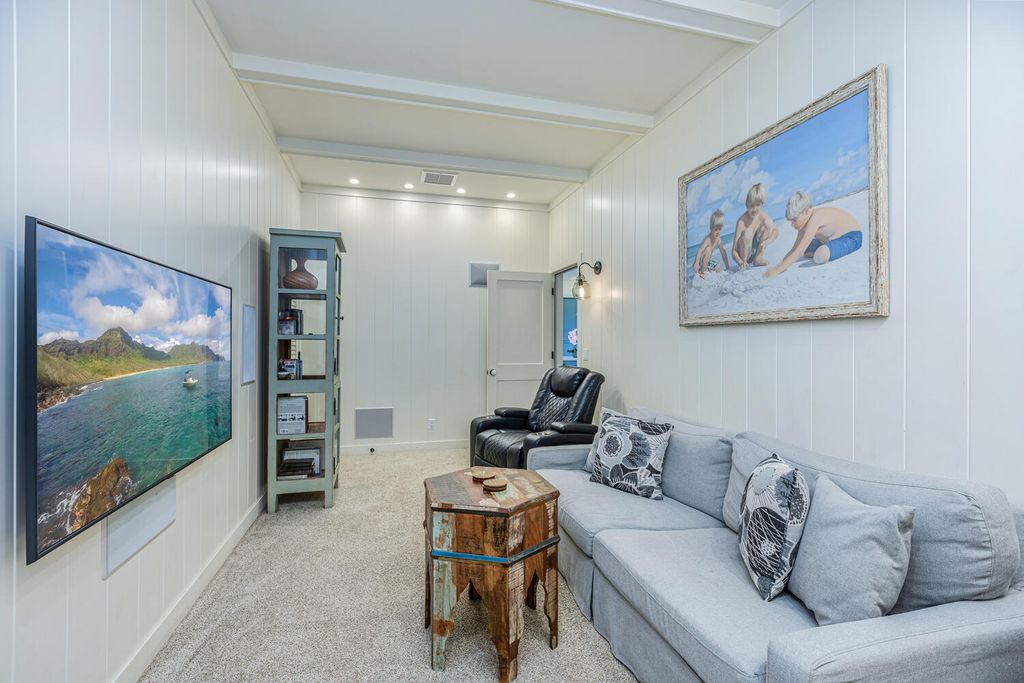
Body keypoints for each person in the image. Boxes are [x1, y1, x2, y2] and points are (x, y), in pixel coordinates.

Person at [764, 191, 863, 278]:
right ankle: (827, 247)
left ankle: (826, 249)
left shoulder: (814, 218)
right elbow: (795, 248)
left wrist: (776, 271)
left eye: (794, 220)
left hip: (852, 237)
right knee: (806, 250)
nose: (792, 224)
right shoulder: (803, 225)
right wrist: (778, 267)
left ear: (806, 211)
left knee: (820, 256)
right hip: (830, 239)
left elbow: (799, 252)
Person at [731, 183, 778, 269]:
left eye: (757, 205)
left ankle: (758, 258)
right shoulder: (741, 222)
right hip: (743, 255)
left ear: (762, 204)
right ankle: (745, 262)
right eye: (752, 206)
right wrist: (740, 262)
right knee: (747, 232)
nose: (755, 209)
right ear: (747, 205)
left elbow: (775, 230)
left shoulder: (762, 216)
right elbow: (733, 251)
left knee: (765, 228)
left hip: (754, 251)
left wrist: (768, 241)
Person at [693, 209, 730, 279]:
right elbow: (700, 251)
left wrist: (728, 268)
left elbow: (723, 252)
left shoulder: (718, 239)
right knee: (708, 250)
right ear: (711, 228)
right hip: (699, 263)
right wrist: (696, 263)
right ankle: (702, 273)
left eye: (720, 229)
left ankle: (709, 274)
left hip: (707, 262)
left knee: (718, 267)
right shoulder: (708, 239)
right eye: (716, 229)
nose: (718, 232)